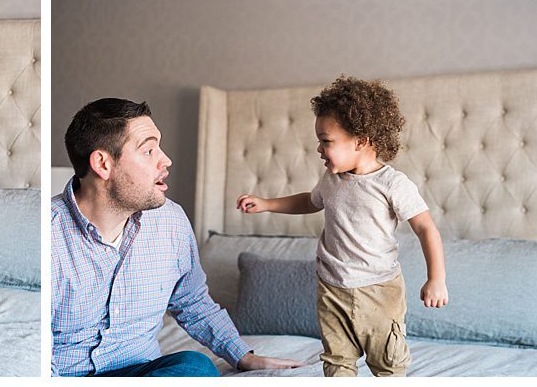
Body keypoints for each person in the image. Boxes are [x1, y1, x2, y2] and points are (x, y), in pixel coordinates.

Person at [51, 98, 304, 377]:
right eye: (148, 150)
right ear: (103, 163)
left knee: (196, 366)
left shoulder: (170, 221)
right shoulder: (49, 236)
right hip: (65, 374)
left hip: (143, 371)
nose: (166, 160)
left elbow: (191, 301)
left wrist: (244, 356)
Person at [237, 75, 449, 377]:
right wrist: (267, 203)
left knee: (388, 363)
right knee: (337, 362)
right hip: (332, 288)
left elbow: (426, 227)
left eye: (326, 141)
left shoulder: (392, 184)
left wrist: (436, 278)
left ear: (361, 140)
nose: (319, 149)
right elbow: (310, 201)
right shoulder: (331, 179)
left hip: (379, 290)